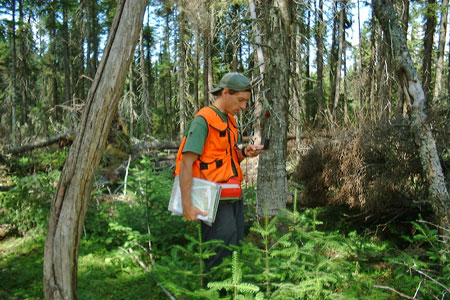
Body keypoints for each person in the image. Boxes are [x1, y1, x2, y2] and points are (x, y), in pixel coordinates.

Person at [174, 72, 264, 269]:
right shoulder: (203, 121)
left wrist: (243, 153)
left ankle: (231, 290)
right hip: (212, 198)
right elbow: (186, 163)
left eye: (246, 101)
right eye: (240, 100)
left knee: (235, 245)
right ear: (225, 92)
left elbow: (224, 158)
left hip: (232, 196)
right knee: (219, 253)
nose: (243, 106)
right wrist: (187, 205)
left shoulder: (229, 121)